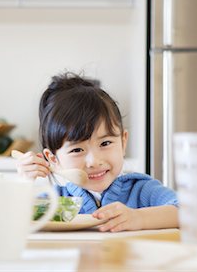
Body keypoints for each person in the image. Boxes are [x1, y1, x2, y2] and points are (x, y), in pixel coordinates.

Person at [16, 72, 178, 232]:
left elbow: (188, 212)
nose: (94, 161)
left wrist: (138, 218)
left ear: (123, 142)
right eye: (77, 149)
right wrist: (24, 184)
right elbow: (14, 218)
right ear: (53, 159)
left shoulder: (142, 189)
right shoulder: (55, 200)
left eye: (105, 143)